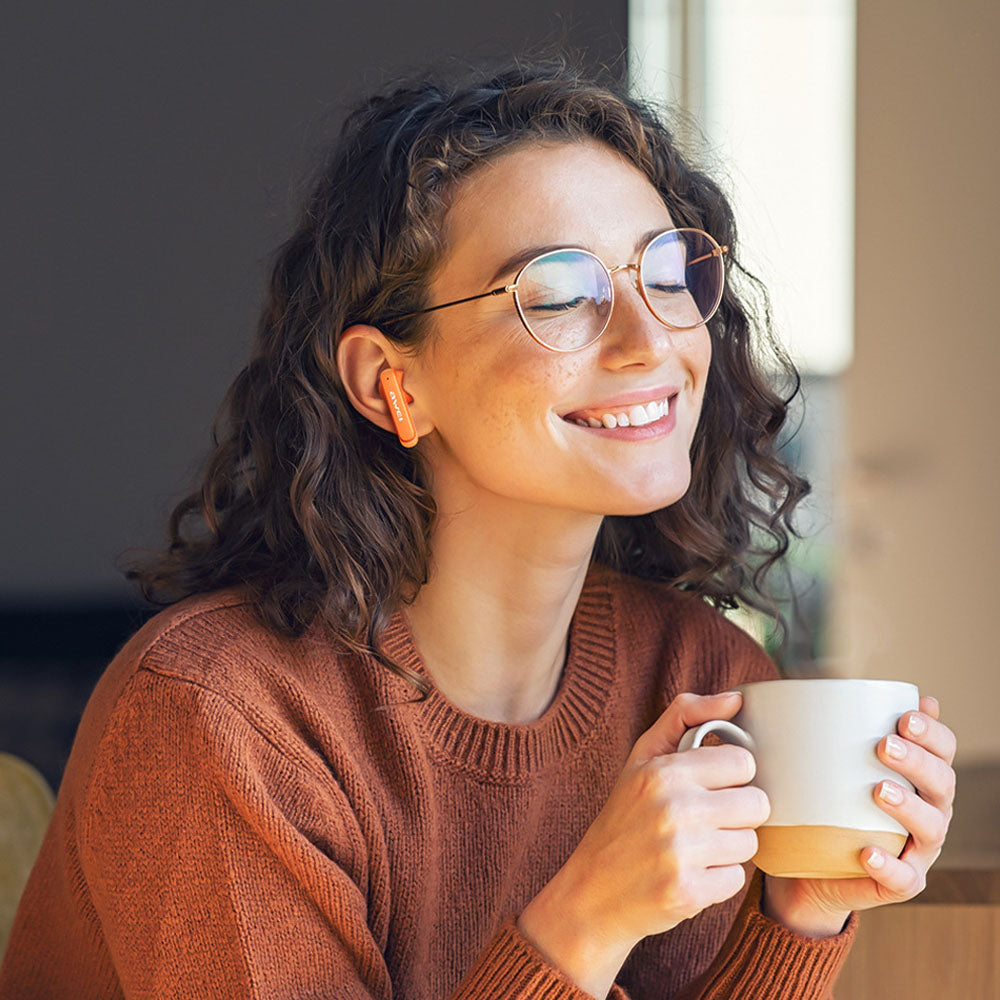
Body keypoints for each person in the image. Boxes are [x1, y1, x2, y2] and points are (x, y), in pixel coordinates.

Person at [0, 56, 956, 1000]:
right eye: (556, 296)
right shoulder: (220, 720)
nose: (651, 339)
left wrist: (798, 916)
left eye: (666, 271)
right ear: (391, 383)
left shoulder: (700, 681)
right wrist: (585, 921)